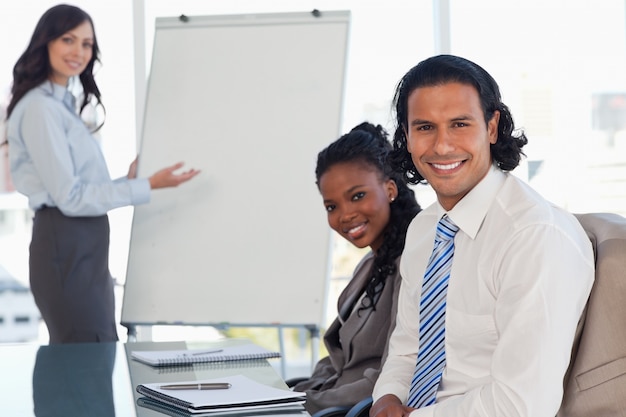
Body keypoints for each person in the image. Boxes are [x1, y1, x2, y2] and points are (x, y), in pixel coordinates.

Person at [370, 55, 595, 417]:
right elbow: (407, 349)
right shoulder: (426, 229)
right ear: (407, 136)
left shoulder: (533, 236)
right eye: (425, 127)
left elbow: (522, 404)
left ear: (492, 127)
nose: (442, 146)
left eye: (459, 124)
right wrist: (386, 400)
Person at [5, 4, 200, 344]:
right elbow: (70, 198)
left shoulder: (62, 105)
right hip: (65, 243)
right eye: (68, 39)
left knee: (94, 352)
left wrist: (131, 182)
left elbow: (77, 190)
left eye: (87, 44)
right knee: (86, 354)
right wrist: (146, 186)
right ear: (45, 42)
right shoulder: (40, 108)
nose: (78, 51)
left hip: (81, 245)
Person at [292, 122, 421, 414]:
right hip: (330, 400)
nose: (345, 215)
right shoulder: (371, 262)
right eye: (331, 206)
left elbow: (392, 375)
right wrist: (295, 392)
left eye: (357, 196)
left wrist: (305, 401)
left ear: (390, 189)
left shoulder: (413, 261)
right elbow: (343, 359)